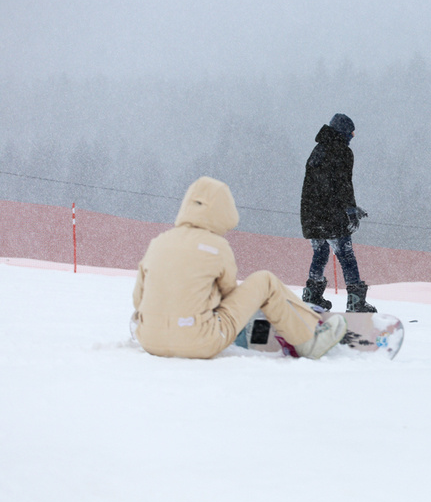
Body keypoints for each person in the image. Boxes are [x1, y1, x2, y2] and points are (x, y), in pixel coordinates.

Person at [132, 176, 346, 360]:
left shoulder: (158, 242)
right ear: (223, 212)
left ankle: (163, 331)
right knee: (265, 281)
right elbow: (228, 295)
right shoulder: (217, 246)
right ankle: (308, 340)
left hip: (149, 339)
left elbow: (138, 299)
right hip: (199, 340)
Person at [300, 113, 377, 313]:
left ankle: (312, 296)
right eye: (351, 132)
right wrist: (350, 210)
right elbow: (343, 184)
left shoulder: (318, 150)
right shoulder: (341, 151)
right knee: (346, 254)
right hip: (331, 215)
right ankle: (355, 302)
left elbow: (315, 186)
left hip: (311, 215)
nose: (352, 136)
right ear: (343, 132)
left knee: (321, 252)